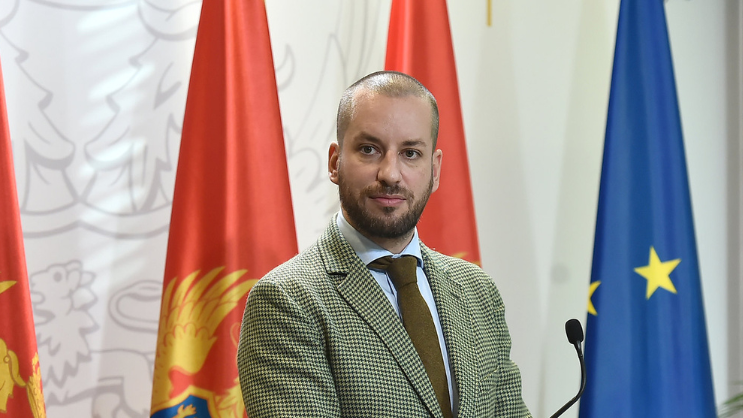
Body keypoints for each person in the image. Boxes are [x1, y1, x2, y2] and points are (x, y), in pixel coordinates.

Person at [237, 71, 531, 418]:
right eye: (369, 150)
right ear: (335, 162)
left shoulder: (478, 291)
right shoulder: (286, 299)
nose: (390, 174)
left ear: (435, 170)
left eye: (410, 153)